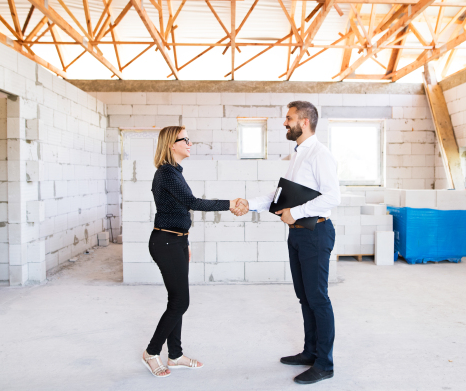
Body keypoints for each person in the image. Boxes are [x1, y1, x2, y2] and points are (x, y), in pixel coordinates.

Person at [232, 101, 341, 385]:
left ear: (304, 121)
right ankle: (310, 352)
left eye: (289, 118)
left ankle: (324, 364)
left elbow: (332, 197)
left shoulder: (320, 154)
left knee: (318, 298)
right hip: (299, 233)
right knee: (305, 297)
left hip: (315, 231)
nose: (285, 123)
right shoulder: (298, 155)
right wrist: (249, 203)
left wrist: (296, 212)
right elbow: (281, 194)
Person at [142, 126, 242, 378]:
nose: (190, 143)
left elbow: (180, 210)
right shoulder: (166, 173)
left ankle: (174, 355)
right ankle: (151, 352)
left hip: (175, 242)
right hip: (165, 242)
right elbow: (192, 203)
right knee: (180, 302)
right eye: (184, 139)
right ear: (171, 144)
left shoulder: (174, 172)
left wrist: (184, 243)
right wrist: (230, 203)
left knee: (177, 301)